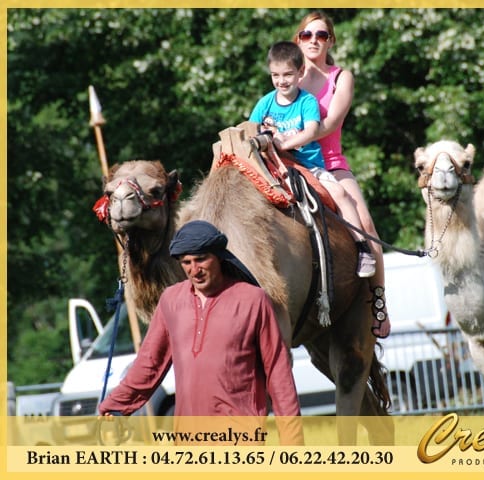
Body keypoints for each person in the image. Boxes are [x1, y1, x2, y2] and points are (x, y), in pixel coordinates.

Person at [98, 220, 304, 446]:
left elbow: (278, 372)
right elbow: (149, 364)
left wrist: (292, 441)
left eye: (200, 260)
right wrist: (115, 405)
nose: (194, 270)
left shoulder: (253, 300)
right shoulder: (171, 300)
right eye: (186, 262)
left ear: (219, 257)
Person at [294, 11, 390, 338]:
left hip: (331, 162)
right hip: (294, 163)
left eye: (321, 35)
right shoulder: (288, 76)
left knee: (365, 222)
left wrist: (288, 137)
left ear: (330, 41)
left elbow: (331, 123)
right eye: (307, 35)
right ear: (298, 40)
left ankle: (379, 303)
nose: (314, 41)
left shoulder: (341, 77)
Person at [249, 40, 376, 280]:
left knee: (339, 194)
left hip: (308, 165)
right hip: (276, 166)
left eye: (287, 74)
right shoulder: (265, 103)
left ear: (299, 74)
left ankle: (362, 247)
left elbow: (310, 131)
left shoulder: (306, 101)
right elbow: (250, 128)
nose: (281, 81)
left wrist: (284, 142)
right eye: (275, 75)